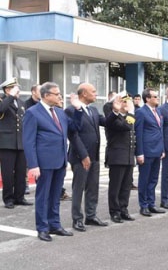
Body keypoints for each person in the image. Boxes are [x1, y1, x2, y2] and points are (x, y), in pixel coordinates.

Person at [23, 82, 83, 242]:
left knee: (56, 195)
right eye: (57, 94)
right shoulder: (32, 113)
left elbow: (75, 127)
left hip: (60, 161)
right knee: (43, 196)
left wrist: (78, 109)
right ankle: (42, 228)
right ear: (46, 95)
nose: (60, 96)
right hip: (43, 163)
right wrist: (33, 165)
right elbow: (28, 141)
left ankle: (54, 225)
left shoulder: (60, 112)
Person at [66, 83, 108, 232]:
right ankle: (77, 219)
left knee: (93, 187)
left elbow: (106, 122)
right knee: (79, 188)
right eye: (93, 91)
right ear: (83, 93)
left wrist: (118, 109)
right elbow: (73, 135)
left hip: (94, 155)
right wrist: (83, 155)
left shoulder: (93, 110)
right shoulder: (71, 110)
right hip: (80, 157)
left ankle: (91, 215)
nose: (96, 94)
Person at [0, 78, 31, 209]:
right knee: (7, 173)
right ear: (7, 89)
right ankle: (8, 199)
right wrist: (10, 96)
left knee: (21, 172)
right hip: (6, 143)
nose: (17, 90)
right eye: (14, 88)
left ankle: (19, 197)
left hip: (21, 143)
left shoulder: (21, 102)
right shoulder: (3, 101)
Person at [104, 95, 136, 223]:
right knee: (115, 186)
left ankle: (123, 209)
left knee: (126, 186)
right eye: (124, 101)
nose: (127, 103)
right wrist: (132, 112)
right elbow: (126, 126)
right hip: (117, 156)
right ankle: (115, 211)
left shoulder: (127, 117)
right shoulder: (113, 118)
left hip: (128, 155)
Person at [134, 88, 166, 217]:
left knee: (153, 179)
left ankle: (152, 204)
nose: (157, 98)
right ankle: (144, 205)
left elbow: (160, 131)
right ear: (147, 98)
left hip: (157, 150)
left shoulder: (157, 111)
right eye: (155, 97)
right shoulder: (141, 112)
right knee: (144, 180)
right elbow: (139, 133)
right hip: (146, 151)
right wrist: (139, 153)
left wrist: (162, 149)